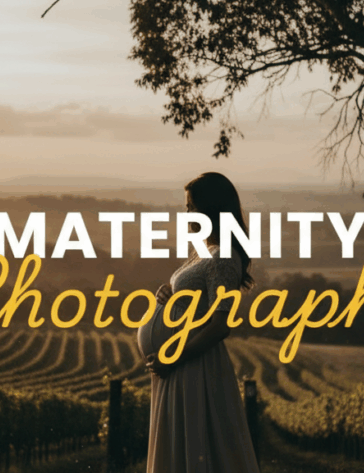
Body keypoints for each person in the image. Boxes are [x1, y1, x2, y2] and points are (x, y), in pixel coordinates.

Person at [136, 172, 261, 473]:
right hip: (179, 368)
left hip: (193, 367)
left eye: (192, 206)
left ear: (213, 209)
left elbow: (220, 325)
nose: (187, 213)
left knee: (197, 451)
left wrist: (172, 356)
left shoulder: (224, 257)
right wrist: (168, 294)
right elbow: (193, 303)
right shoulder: (205, 252)